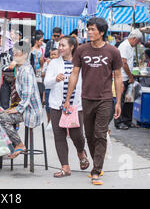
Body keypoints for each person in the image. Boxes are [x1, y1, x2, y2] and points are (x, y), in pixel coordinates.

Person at [64, 17, 123, 186]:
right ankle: (97, 162)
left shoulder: (113, 51)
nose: (89, 32)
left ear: (102, 32)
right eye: (88, 29)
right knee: (89, 135)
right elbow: (74, 74)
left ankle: (96, 170)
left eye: (92, 30)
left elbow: (118, 77)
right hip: (86, 98)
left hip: (105, 99)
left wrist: (118, 101)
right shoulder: (82, 50)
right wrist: (68, 98)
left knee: (100, 133)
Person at [44, 36, 90, 178]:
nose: (60, 48)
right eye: (59, 45)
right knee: (59, 135)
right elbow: (46, 83)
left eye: (63, 45)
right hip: (57, 105)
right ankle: (65, 167)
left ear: (71, 47)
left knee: (77, 134)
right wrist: (54, 79)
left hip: (76, 105)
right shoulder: (54, 63)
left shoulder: (80, 63)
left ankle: (81, 152)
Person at [0, 39, 43, 159]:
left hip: (30, 110)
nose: (14, 55)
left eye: (17, 53)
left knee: (1, 118)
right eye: (14, 52)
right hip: (23, 107)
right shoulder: (21, 67)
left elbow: (27, 95)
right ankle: (11, 145)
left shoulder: (26, 71)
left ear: (25, 54)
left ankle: (18, 144)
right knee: (0, 113)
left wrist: (18, 109)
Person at [115, 29, 143, 130]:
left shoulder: (130, 46)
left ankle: (127, 120)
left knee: (129, 100)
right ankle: (119, 121)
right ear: (134, 38)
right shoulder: (124, 46)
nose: (138, 43)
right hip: (122, 78)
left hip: (128, 77)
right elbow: (124, 63)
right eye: (138, 41)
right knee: (121, 100)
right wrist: (130, 76)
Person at [44, 48, 59, 129]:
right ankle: (49, 121)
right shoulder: (47, 63)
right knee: (47, 106)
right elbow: (43, 75)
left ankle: (55, 123)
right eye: (51, 54)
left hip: (56, 87)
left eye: (55, 54)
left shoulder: (60, 64)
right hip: (48, 87)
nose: (53, 56)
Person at [30, 33, 45, 104]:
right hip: (33, 70)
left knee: (39, 86)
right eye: (41, 40)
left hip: (38, 71)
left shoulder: (41, 50)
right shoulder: (32, 50)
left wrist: (41, 70)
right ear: (36, 41)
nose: (42, 42)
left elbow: (42, 63)